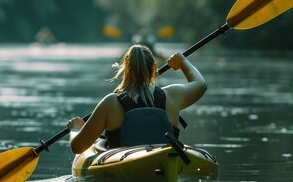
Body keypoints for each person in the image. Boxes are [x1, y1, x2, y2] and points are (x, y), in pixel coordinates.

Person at [66, 44, 207, 154]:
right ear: (153, 69)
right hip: (165, 161)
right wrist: (182, 61)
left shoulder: (111, 103)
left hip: (125, 170)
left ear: (125, 70)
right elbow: (201, 85)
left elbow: (77, 147)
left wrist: (76, 129)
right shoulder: (172, 95)